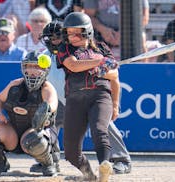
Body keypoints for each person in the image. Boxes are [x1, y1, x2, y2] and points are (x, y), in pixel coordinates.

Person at [56, 12, 121, 181]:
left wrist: (115, 103)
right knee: (70, 152)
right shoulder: (65, 49)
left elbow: (114, 77)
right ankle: (89, 175)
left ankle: (104, 166)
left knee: (99, 130)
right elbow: (73, 65)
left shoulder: (102, 48)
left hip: (100, 96)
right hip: (75, 99)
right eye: (69, 33)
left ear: (87, 32)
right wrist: (99, 63)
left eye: (77, 32)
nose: (72, 37)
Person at [0, 50, 59, 177]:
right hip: (13, 131)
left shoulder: (47, 88)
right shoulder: (15, 85)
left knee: (34, 140)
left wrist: (45, 110)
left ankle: (49, 164)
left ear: (45, 69)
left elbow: (52, 104)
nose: (32, 71)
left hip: (36, 132)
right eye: (29, 66)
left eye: (37, 67)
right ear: (23, 68)